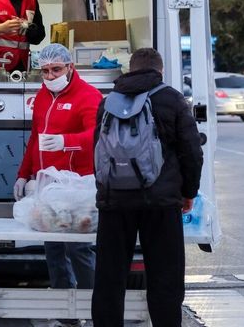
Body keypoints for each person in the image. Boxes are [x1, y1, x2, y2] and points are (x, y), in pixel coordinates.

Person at [91, 48, 203, 327]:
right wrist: (188, 192)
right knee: (165, 278)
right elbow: (192, 151)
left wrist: (105, 190)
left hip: (115, 201)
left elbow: (97, 151)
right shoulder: (172, 99)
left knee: (109, 279)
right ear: (160, 71)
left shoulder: (108, 102)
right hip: (160, 202)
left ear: (129, 70)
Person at [13, 44, 101, 327]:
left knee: (78, 248)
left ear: (70, 67)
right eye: (45, 71)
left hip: (78, 188)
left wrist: (67, 141)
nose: (50, 76)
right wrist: (24, 174)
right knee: (52, 247)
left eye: (56, 70)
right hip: (48, 186)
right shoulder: (42, 96)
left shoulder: (88, 95)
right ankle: (66, 313)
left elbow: (97, 134)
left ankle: (95, 308)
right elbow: (35, 139)